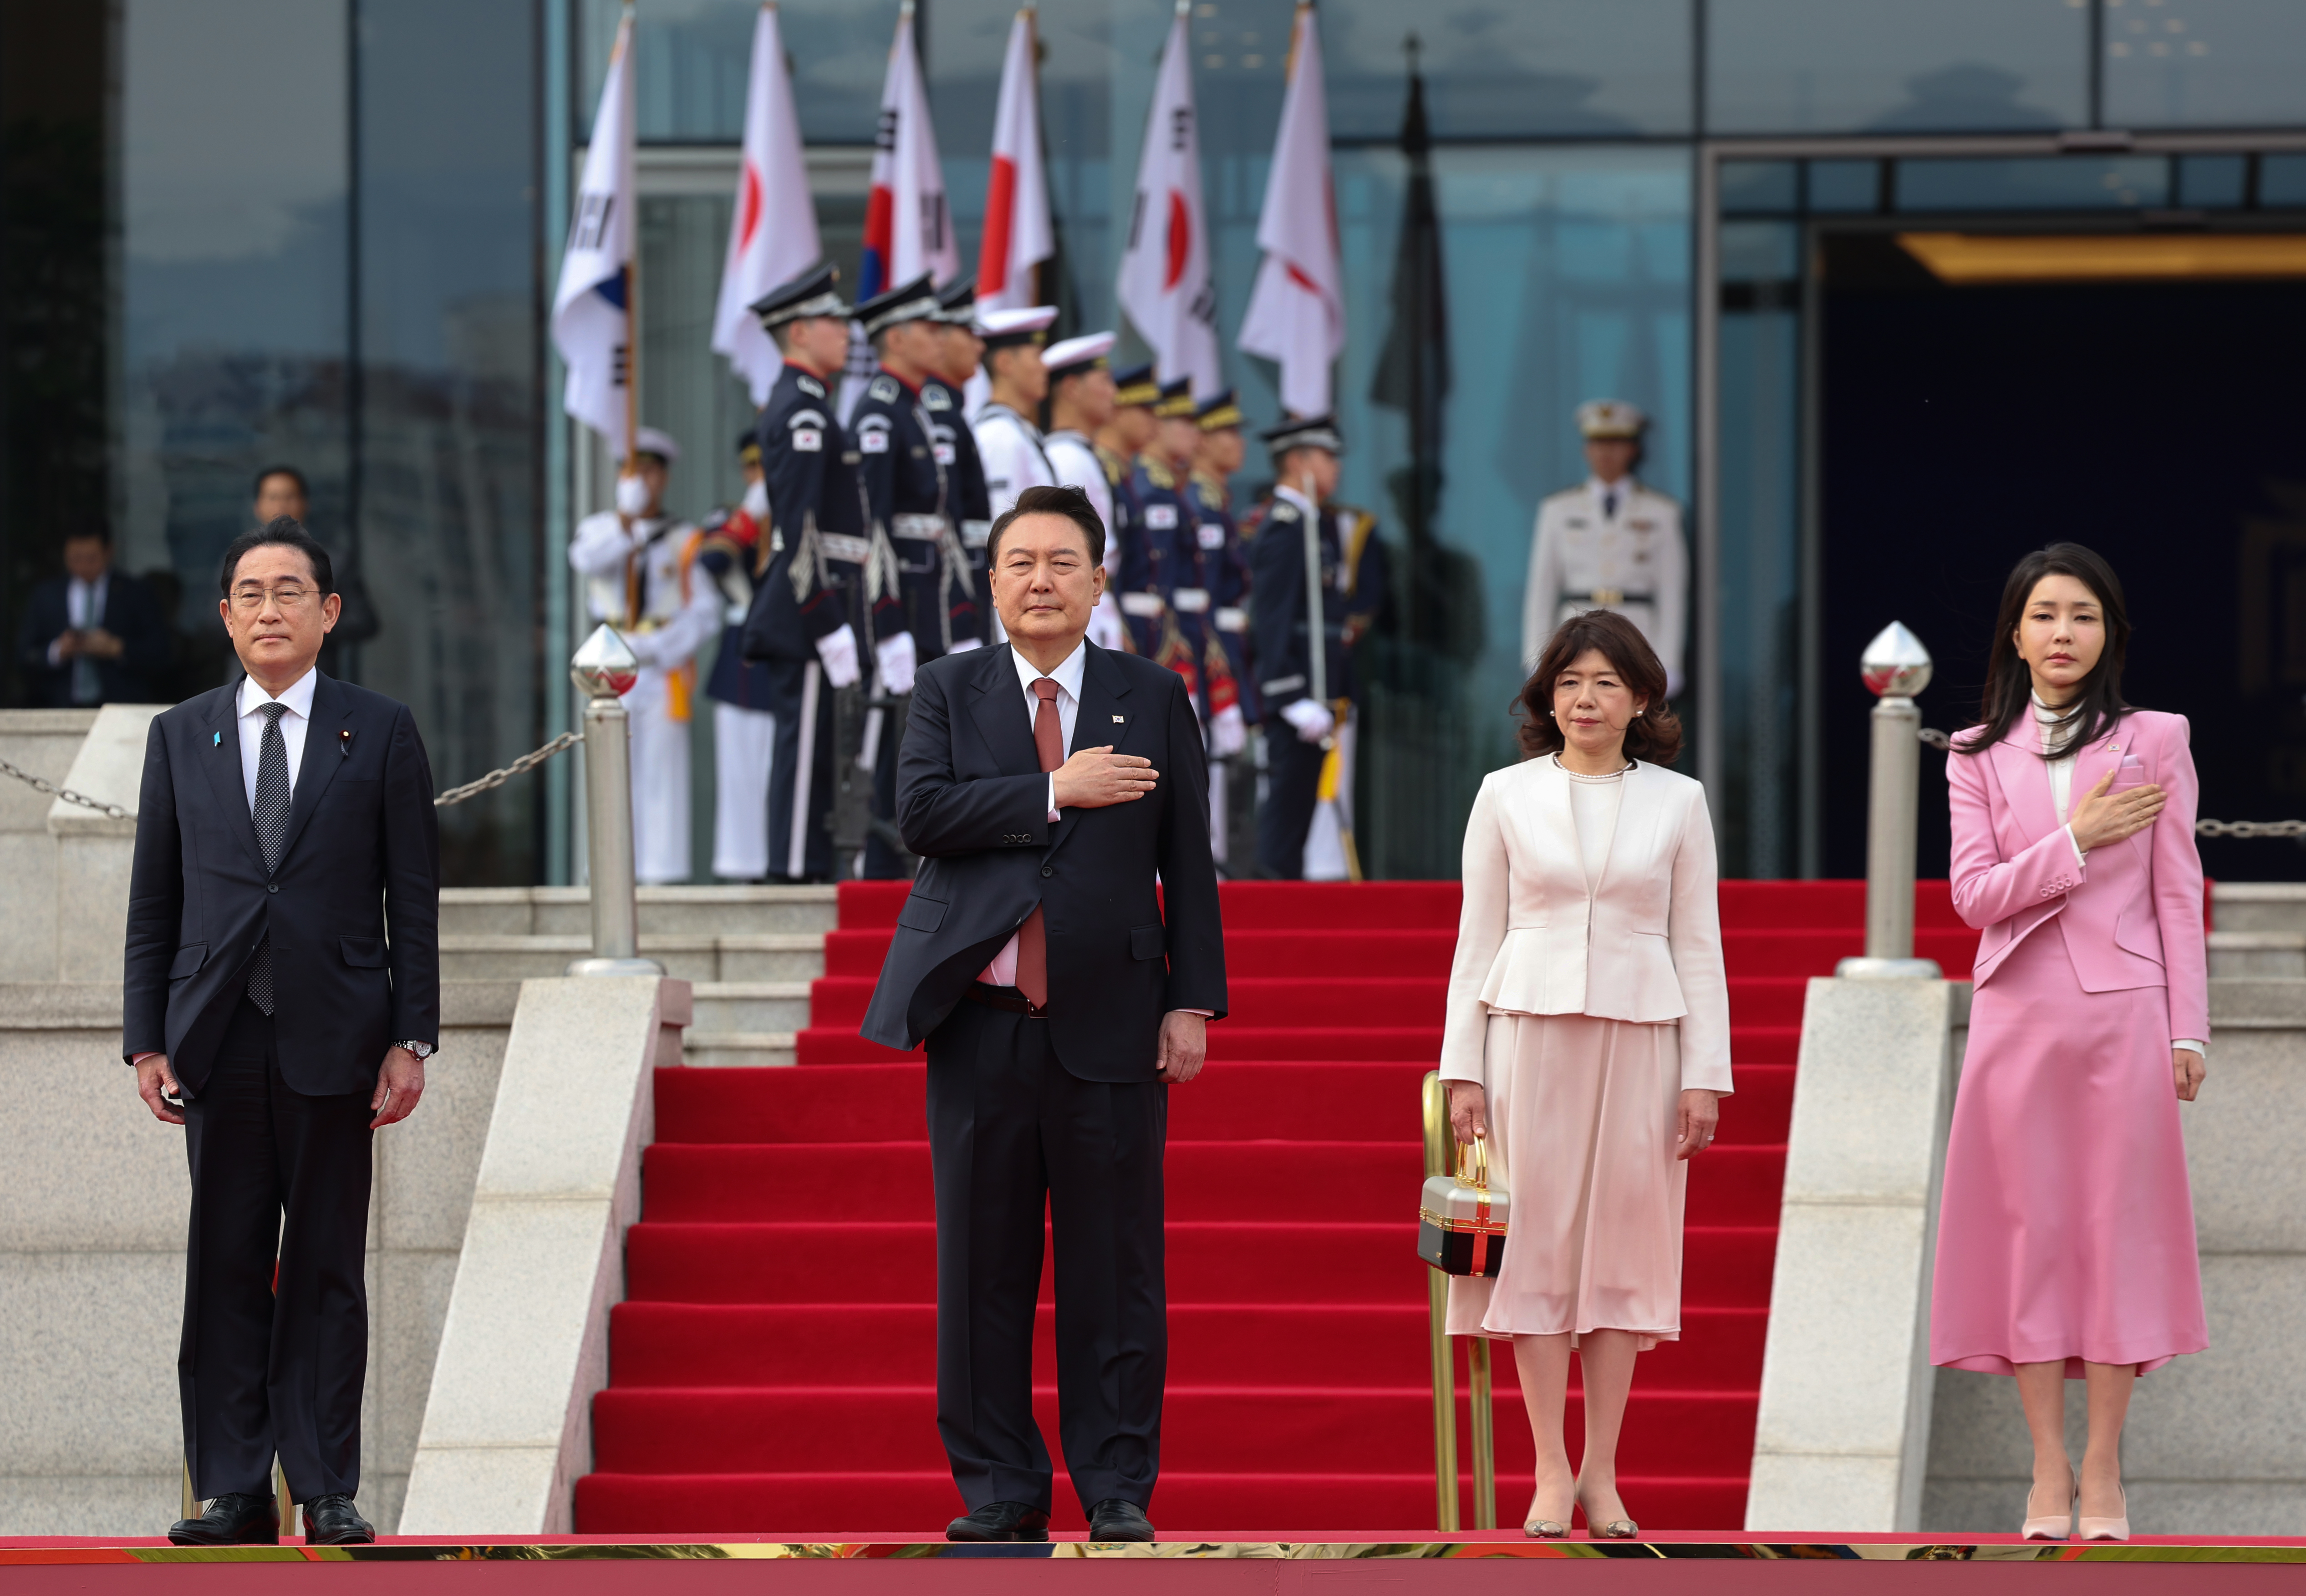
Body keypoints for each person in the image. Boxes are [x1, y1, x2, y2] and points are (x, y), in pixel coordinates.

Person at [860, 483, 1226, 1545]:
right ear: (991, 580)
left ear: (1098, 580)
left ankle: (1116, 1480)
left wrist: (1192, 996)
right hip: (979, 1021)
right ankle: (998, 1483)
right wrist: (1052, 787)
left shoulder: (1151, 693)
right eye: (1019, 561)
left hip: (1112, 1016)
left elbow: (1185, 859)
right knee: (981, 1263)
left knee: (1115, 1264)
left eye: (1061, 561)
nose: (1039, 579)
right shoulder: (946, 686)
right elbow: (920, 812)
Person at [123, 517, 439, 1547]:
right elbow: (154, 903)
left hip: (338, 1039)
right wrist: (145, 1037)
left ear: (329, 611)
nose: (270, 608)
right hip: (216, 1039)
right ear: (225, 616)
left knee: (326, 1268)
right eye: (251, 592)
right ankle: (231, 1485)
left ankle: (325, 1482)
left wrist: (413, 1035)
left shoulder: (380, 729)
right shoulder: (181, 734)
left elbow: (414, 898)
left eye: (290, 590)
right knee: (223, 1263)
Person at [1933, 542, 2207, 1545]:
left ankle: (2105, 1469)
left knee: (2117, 1237)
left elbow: (2178, 890)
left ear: (2110, 634)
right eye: (2045, 615)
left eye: (2083, 616)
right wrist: (2078, 838)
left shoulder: (2157, 737)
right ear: (2016, 631)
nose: (2063, 633)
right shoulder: (1971, 753)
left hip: (2126, 1013)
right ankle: (2047, 1463)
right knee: (2032, 1238)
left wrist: (2189, 1026)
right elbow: (1975, 899)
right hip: (2019, 1019)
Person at [1441, 609, 1728, 1540]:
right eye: (1569, 682)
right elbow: (1476, 938)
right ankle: (1550, 1468)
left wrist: (1705, 1075)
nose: (1586, 698)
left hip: (1644, 1040)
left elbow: (1698, 944)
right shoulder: (1504, 793)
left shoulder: (1679, 802)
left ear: (1641, 697)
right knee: (1535, 1248)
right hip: (1527, 1033)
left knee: (1621, 1255)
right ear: (1546, 697)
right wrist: (1462, 1069)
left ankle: (1603, 1470)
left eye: (1606, 682)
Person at [738, 263, 881, 884]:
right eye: (833, 321)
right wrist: (826, 621)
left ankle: (810, 864)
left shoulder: (814, 406)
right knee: (805, 754)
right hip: (808, 609)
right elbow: (801, 532)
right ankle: (793, 869)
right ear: (799, 331)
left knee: (826, 751)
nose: (846, 333)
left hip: (833, 599)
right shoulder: (800, 410)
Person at [855, 272, 984, 878]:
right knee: (893, 739)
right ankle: (880, 858)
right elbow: (871, 527)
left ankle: (912, 851)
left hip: (931, 592)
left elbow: (948, 526)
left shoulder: (916, 409)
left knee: (926, 734)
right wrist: (887, 624)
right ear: (898, 338)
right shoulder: (880, 411)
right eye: (929, 329)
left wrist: (960, 612)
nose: (941, 339)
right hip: (902, 597)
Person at [568, 427, 720, 884]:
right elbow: (587, 560)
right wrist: (625, 523)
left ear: (664, 478)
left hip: (660, 667)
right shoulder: (600, 529)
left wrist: (658, 646)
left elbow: (706, 612)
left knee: (661, 773)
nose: (642, 481)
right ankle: (611, 871)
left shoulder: (686, 538)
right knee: (609, 768)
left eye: (650, 472)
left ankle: (662, 874)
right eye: (633, 471)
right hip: (606, 667)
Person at [1245, 416, 1386, 881]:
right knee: (1285, 820)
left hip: (1316, 695)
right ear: (1297, 461)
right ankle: (1271, 915)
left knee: (1298, 813)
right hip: (1296, 701)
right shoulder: (1285, 528)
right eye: (1326, 457)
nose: (1335, 468)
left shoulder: (1310, 524)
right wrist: (1289, 697)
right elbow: (1272, 621)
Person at [1522, 401, 1687, 696]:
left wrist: (1669, 662)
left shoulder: (1661, 513)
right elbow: (1541, 589)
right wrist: (1536, 656)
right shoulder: (1557, 510)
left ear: (1632, 449)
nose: (1606, 453)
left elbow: (1672, 593)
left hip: (1638, 633)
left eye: (1616, 443)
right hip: (1574, 629)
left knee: (1631, 726)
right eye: (1598, 443)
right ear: (1586, 450)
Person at [692, 433, 779, 881]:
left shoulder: (793, 510)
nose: (758, 475)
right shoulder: (730, 517)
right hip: (741, 656)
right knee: (740, 770)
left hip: (783, 652)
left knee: (777, 767)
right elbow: (710, 562)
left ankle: (778, 860)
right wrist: (751, 513)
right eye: (752, 468)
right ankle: (740, 863)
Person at [1188, 391, 1254, 865]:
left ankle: (1217, 852)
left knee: (1222, 755)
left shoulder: (1218, 501)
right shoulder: (1197, 501)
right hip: (1202, 641)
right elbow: (1201, 594)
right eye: (1225, 432)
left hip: (1224, 640)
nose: (1238, 443)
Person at [1039, 332, 1126, 652]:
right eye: (1103, 381)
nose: (1113, 394)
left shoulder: (1083, 455)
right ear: (1072, 389)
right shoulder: (1067, 458)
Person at [16, 526, 169, 706]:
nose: (83, 567)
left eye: (91, 559)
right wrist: (59, 650)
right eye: (75, 559)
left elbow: (161, 652)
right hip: (61, 706)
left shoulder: (135, 593)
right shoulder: (46, 596)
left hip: (120, 706)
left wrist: (117, 648)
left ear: (108, 552)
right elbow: (25, 656)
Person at [251, 467, 379, 671]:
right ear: (257, 507)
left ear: (305, 504)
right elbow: (213, 624)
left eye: (289, 497)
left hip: (316, 678)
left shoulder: (333, 561)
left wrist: (307, 626)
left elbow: (364, 621)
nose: (281, 505)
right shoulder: (239, 562)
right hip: (252, 681)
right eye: (273, 497)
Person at [928, 280, 996, 639]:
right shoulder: (937, 415)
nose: (979, 345)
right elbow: (946, 521)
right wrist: (961, 614)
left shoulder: (951, 413)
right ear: (938, 339)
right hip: (947, 602)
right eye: (967, 333)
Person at [971, 305, 1060, 519]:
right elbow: (1000, 525)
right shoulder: (1000, 435)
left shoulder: (1017, 430)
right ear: (1005, 363)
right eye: (1037, 356)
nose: (1045, 367)